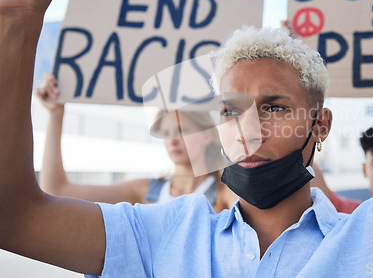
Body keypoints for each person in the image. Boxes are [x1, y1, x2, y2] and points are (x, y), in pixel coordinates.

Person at [0, 0, 373, 277]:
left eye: (276, 107)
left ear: (320, 124)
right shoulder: (164, 233)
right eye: (230, 111)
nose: (250, 130)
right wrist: (18, 19)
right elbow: (14, 218)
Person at [35, 74, 237, 210]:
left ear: (207, 135)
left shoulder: (224, 192)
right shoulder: (145, 190)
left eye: (181, 130)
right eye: (166, 133)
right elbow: (56, 190)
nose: (172, 141)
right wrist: (56, 116)